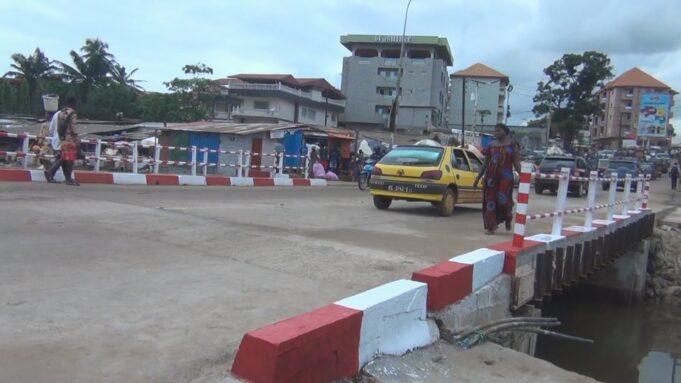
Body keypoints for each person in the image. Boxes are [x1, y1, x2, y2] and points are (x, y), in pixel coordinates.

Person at [473, 123, 522, 234]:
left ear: (505, 131)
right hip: (491, 178)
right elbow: (485, 164)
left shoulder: (512, 145)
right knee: (490, 202)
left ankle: (507, 217)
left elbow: (517, 163)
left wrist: (524, 176)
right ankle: (491, 226)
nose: (496, 133)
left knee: (503, 201)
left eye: (499, 131)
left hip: (506, 177)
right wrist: (477, 179)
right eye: (495, 131)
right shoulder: (491, 145)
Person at [45, 100, 79, 186]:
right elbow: (73, 127)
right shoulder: (72, 113)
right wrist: (76, 138)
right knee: (66, 158)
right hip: (67, 140)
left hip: (57, 139)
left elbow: (51, 129)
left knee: (63, 158)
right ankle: (51, 173)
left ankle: (67, 178)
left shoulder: (57, 114)